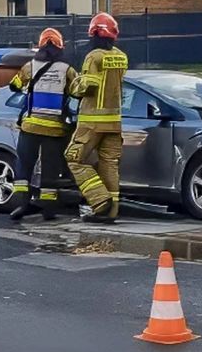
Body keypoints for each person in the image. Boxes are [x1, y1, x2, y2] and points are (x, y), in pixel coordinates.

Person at [8, 28, 78, 222]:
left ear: (40, 45)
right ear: (60, 47)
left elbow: (14, 85)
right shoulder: (67, 69)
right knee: (51, 170)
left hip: (30, 128)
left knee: (24, 166)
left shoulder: (30, 66)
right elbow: (78, 91)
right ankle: (48, 210)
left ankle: (21, 205)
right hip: (55, 130)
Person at [65, 12, 127, 224]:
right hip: (115, 121)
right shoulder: (121, 56)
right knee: (109, 164)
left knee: (74, 158)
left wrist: (74, 84)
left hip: (92, 120)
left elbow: (87, 85)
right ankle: (111, 211)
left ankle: (100, 201)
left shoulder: (94, 56)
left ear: (95, 34)